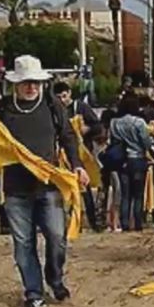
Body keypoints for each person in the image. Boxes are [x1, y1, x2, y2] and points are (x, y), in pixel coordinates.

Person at [0, 55, 89, 307]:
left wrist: (76, 164)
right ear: (16, 84)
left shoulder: (51, 105)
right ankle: (34, 293)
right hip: (16, 189)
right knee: (23, 244)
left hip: (49, 186)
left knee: (57, 237)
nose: (31, 87)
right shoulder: (3, 109)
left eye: (36, 82)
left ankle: (55, 278)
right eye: (26, 82)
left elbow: (68, 136)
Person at [54, 81, 102, 231]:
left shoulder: (80, 107)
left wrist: (86, 129)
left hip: (82, 154)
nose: (62, 100)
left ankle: (92, 221)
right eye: (58, 97)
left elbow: (97, 126)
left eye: (64, 96)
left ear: (69, 93)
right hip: (60, 155)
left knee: (84, 189)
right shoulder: (54, 109)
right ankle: (71, 220)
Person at [108, 93, 152, 232]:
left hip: (122, 160)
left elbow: (113, 141)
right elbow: (146, 142)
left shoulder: (114, 122)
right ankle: (138, 223)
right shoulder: (139, 123)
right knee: (138, 194)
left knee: (125, 194)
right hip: (138, 158)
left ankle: (125, 222)